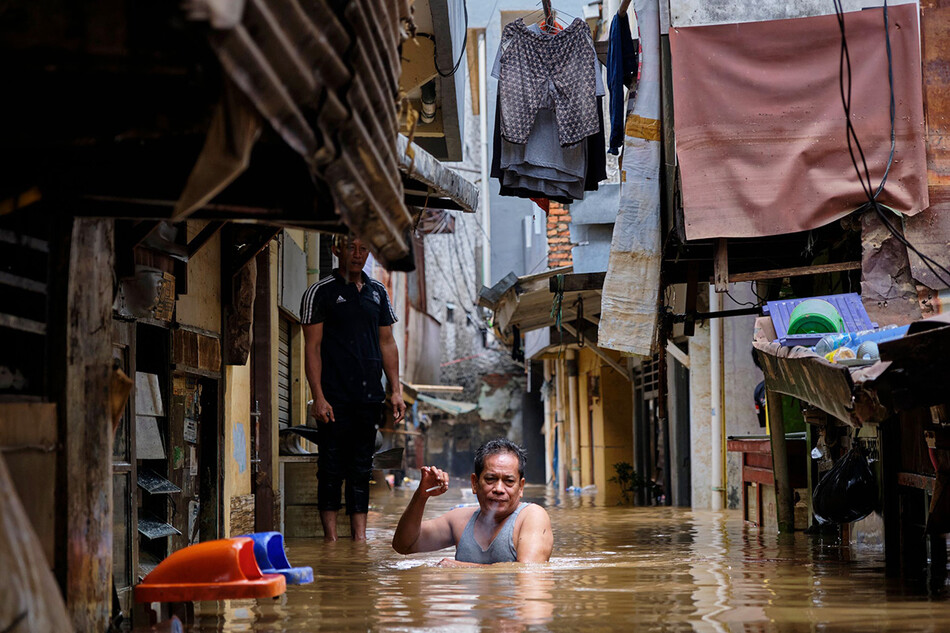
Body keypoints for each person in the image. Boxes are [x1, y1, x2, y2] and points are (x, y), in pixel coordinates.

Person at [300, 234, 406, 541]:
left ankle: (359, 541)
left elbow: (387, 343)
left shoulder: (378, 292)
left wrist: (396, 390)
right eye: (350, 248)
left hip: (369, 397)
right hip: (333, 397)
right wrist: (318, 397)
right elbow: (312, 348)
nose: (357, 254)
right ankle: (331, 541)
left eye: (363, 248)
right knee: (331, 467)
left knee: (362, 468)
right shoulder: (321, 291)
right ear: (336, 250)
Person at [391, 439, 553, 565]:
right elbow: (404, 545)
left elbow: (529, 572)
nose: (499, 489)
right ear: (474, 483)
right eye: (490, 479)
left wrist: (461, 568)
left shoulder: (531, 516)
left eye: (509, 481)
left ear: (521, 487)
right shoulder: (459, 520)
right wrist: (421, 496)